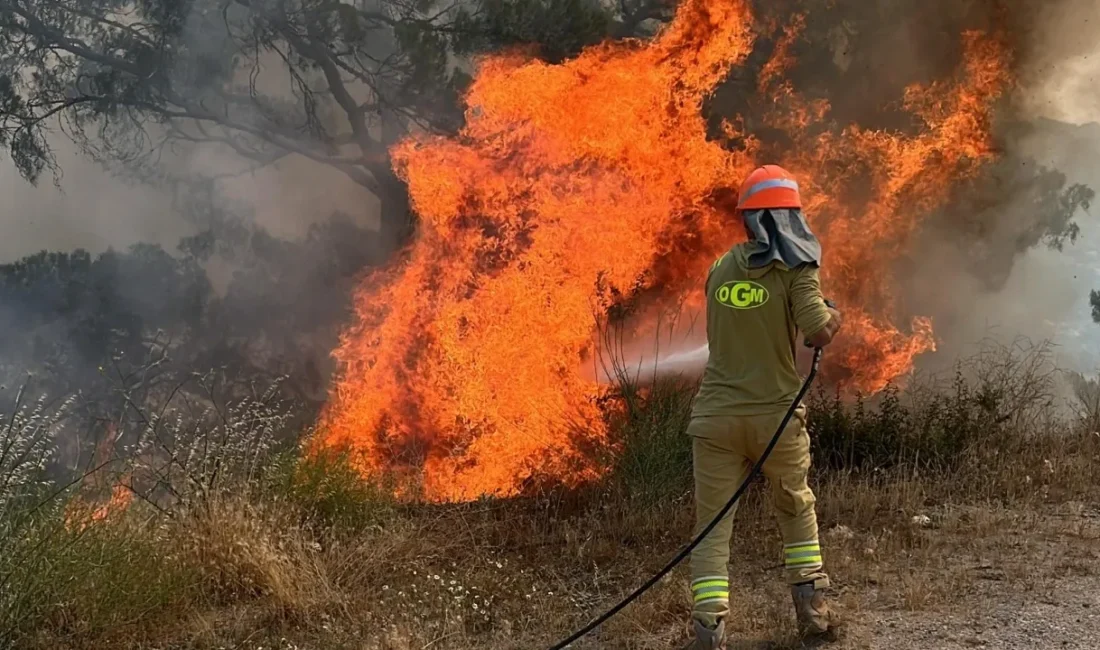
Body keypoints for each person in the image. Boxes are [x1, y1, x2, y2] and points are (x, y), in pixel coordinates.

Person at [686, 165, 844, 649]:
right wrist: (835, 316)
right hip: (774, 415)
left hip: (714, 418)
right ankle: (813, 615)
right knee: (795, 506)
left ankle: (709, 629)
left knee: (712, 525)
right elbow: (816, 329)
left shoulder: (720, 268)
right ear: (787, 216)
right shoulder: (796, 268)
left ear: (748, 219)